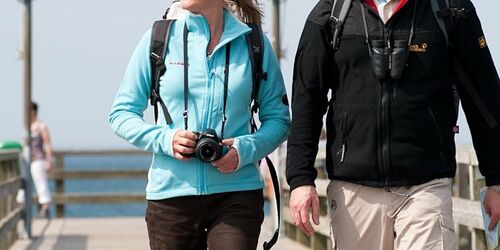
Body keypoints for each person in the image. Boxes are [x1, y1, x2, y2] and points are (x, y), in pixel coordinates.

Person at [286, 0, 500, 249]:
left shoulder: (451, 9)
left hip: (426, 186)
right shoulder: (331, 12)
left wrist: (496, 180)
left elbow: (484, 99)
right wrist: (300, 180)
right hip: (353, 189)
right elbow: (306, 103)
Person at [109, 0, 290, 249]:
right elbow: (121, 114)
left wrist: (244, 150)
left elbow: (279, 119)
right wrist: (166, 139)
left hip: (237, 195)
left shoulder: (254, 43)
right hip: (170, 198)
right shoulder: (159, 39)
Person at [30, 101, 53, 218]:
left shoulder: (41, 125)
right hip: (28, 160)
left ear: (33, 111)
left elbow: (48, 143)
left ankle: (45, 210)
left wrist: (49, 161)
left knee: (41, 184)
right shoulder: (28, 126)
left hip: (38, 159)